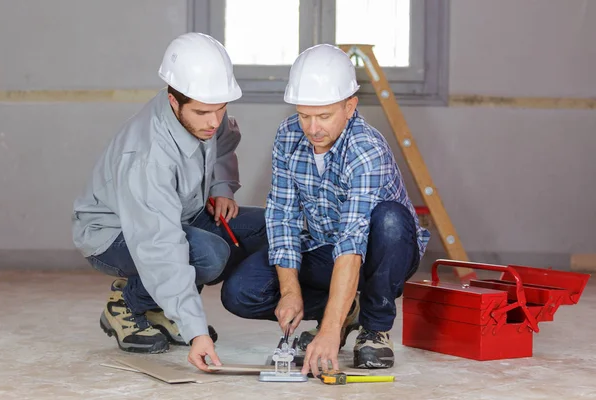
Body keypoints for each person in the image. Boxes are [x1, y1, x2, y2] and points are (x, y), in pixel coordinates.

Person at [221, 44, 430, 375]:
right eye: (305, 115)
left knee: (390, 220)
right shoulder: (289, 135)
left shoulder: (366, 149)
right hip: (323, 249)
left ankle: (374, 325)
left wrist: (328, 333)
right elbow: (283, 216)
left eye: (324, 116)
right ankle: (348, 309)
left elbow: (352, 241)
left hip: (379, 253)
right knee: (240, 292)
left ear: (350, 107)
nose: (312, 128)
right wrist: (289, 292)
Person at [72, 32, 267, 371]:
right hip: (114, 234)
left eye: (220, 109)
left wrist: (222, 186)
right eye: (204, 112)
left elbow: (224, 139)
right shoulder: (147, 157)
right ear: (173, 101)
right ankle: (126, 304)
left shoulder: (205, 115)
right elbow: (160, 244)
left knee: (264, 227)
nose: (213, 121)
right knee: (209, 254)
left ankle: (162, 307)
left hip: (181, 216)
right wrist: (196, 332)